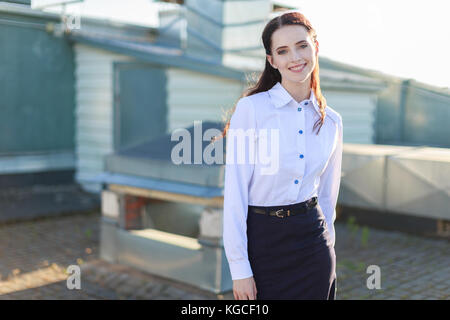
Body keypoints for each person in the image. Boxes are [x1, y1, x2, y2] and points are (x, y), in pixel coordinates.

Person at [220, 11, 343, 300]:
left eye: (302, 45)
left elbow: (327, 196)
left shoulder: (332, 121)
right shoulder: (252, 110)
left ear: (315, 47)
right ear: (272, 60)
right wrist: (240, 269)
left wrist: (329, 248)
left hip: (314, 245)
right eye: (283, 51)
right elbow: (235, 193)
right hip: (264, 243)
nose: (295, 57)